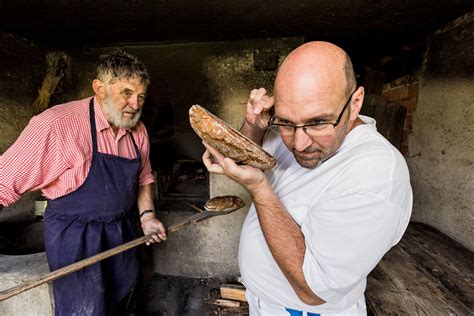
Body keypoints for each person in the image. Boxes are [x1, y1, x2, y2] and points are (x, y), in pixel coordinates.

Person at [202, 41, 412, 315]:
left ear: (356, 102)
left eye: (317, 122)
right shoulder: (294, 134)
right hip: (265, 303)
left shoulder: (377, 173)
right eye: (287, 122)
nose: (299, 144)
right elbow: (248, 160)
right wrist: (253, 126)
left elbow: (313, 290)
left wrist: (260, 190)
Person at [0, 51, 167, 315]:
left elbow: (144, 177)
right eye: (126, 93)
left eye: (141, 96)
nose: (135, 104)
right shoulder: (56, 126)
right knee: (84, 309)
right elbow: (2, 181)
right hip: (76, 238)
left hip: (123, 232)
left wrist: (147, 217)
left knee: (124, 299)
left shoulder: (137, 130)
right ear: (99, 88)